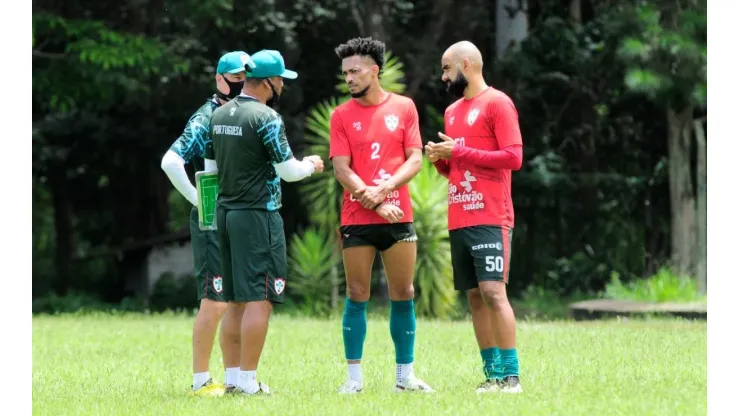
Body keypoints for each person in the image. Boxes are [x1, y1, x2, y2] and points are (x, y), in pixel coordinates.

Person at [205, 49, 325, 395]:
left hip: (225, 215)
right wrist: (311, 164)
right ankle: (249, 382)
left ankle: (231, 380)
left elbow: (211, 171)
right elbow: (288, 172)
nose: (283, 86)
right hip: (258, 216)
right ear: (269, 82)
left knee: (236, 300)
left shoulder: (219, 114)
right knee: (261, 299)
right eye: (281, 80)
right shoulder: (267, 118)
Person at [329, 37, 433, 394]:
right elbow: (341, 169)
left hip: (397, 217)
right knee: (357, 293)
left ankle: (405, 377)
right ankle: (353, 380)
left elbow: (416, 159)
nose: (349, 78)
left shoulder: (404, 107)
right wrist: (373, 200)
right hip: (357, 219)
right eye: (345, 73)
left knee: (404, 291)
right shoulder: (340, 115)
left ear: (374, 71)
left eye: (355, 71)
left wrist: (383, 189)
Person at [425, 40, 524, 394]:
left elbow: (513, 157)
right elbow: (456, 168)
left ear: (466, 65)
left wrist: (460, 150)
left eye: (446, 68)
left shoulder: (498, 103)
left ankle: (512, 377)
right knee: (474, 297)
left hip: (491, 215)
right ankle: (493, 375)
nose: (443, 76)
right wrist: (439, 159)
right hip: (460, 216)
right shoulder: (451, 113)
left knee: (494, 292)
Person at [160, 50, 256, 397]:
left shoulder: (247, 114)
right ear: (219, 79)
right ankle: (201, 380)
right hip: (213, 216)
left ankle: (233, 379)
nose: (242, 85)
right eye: (235, 80)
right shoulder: (207, 116)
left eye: (248, 79)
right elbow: (171, 162)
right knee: (215, 300)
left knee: (237, 300)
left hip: (238, 215)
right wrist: (200, 201)